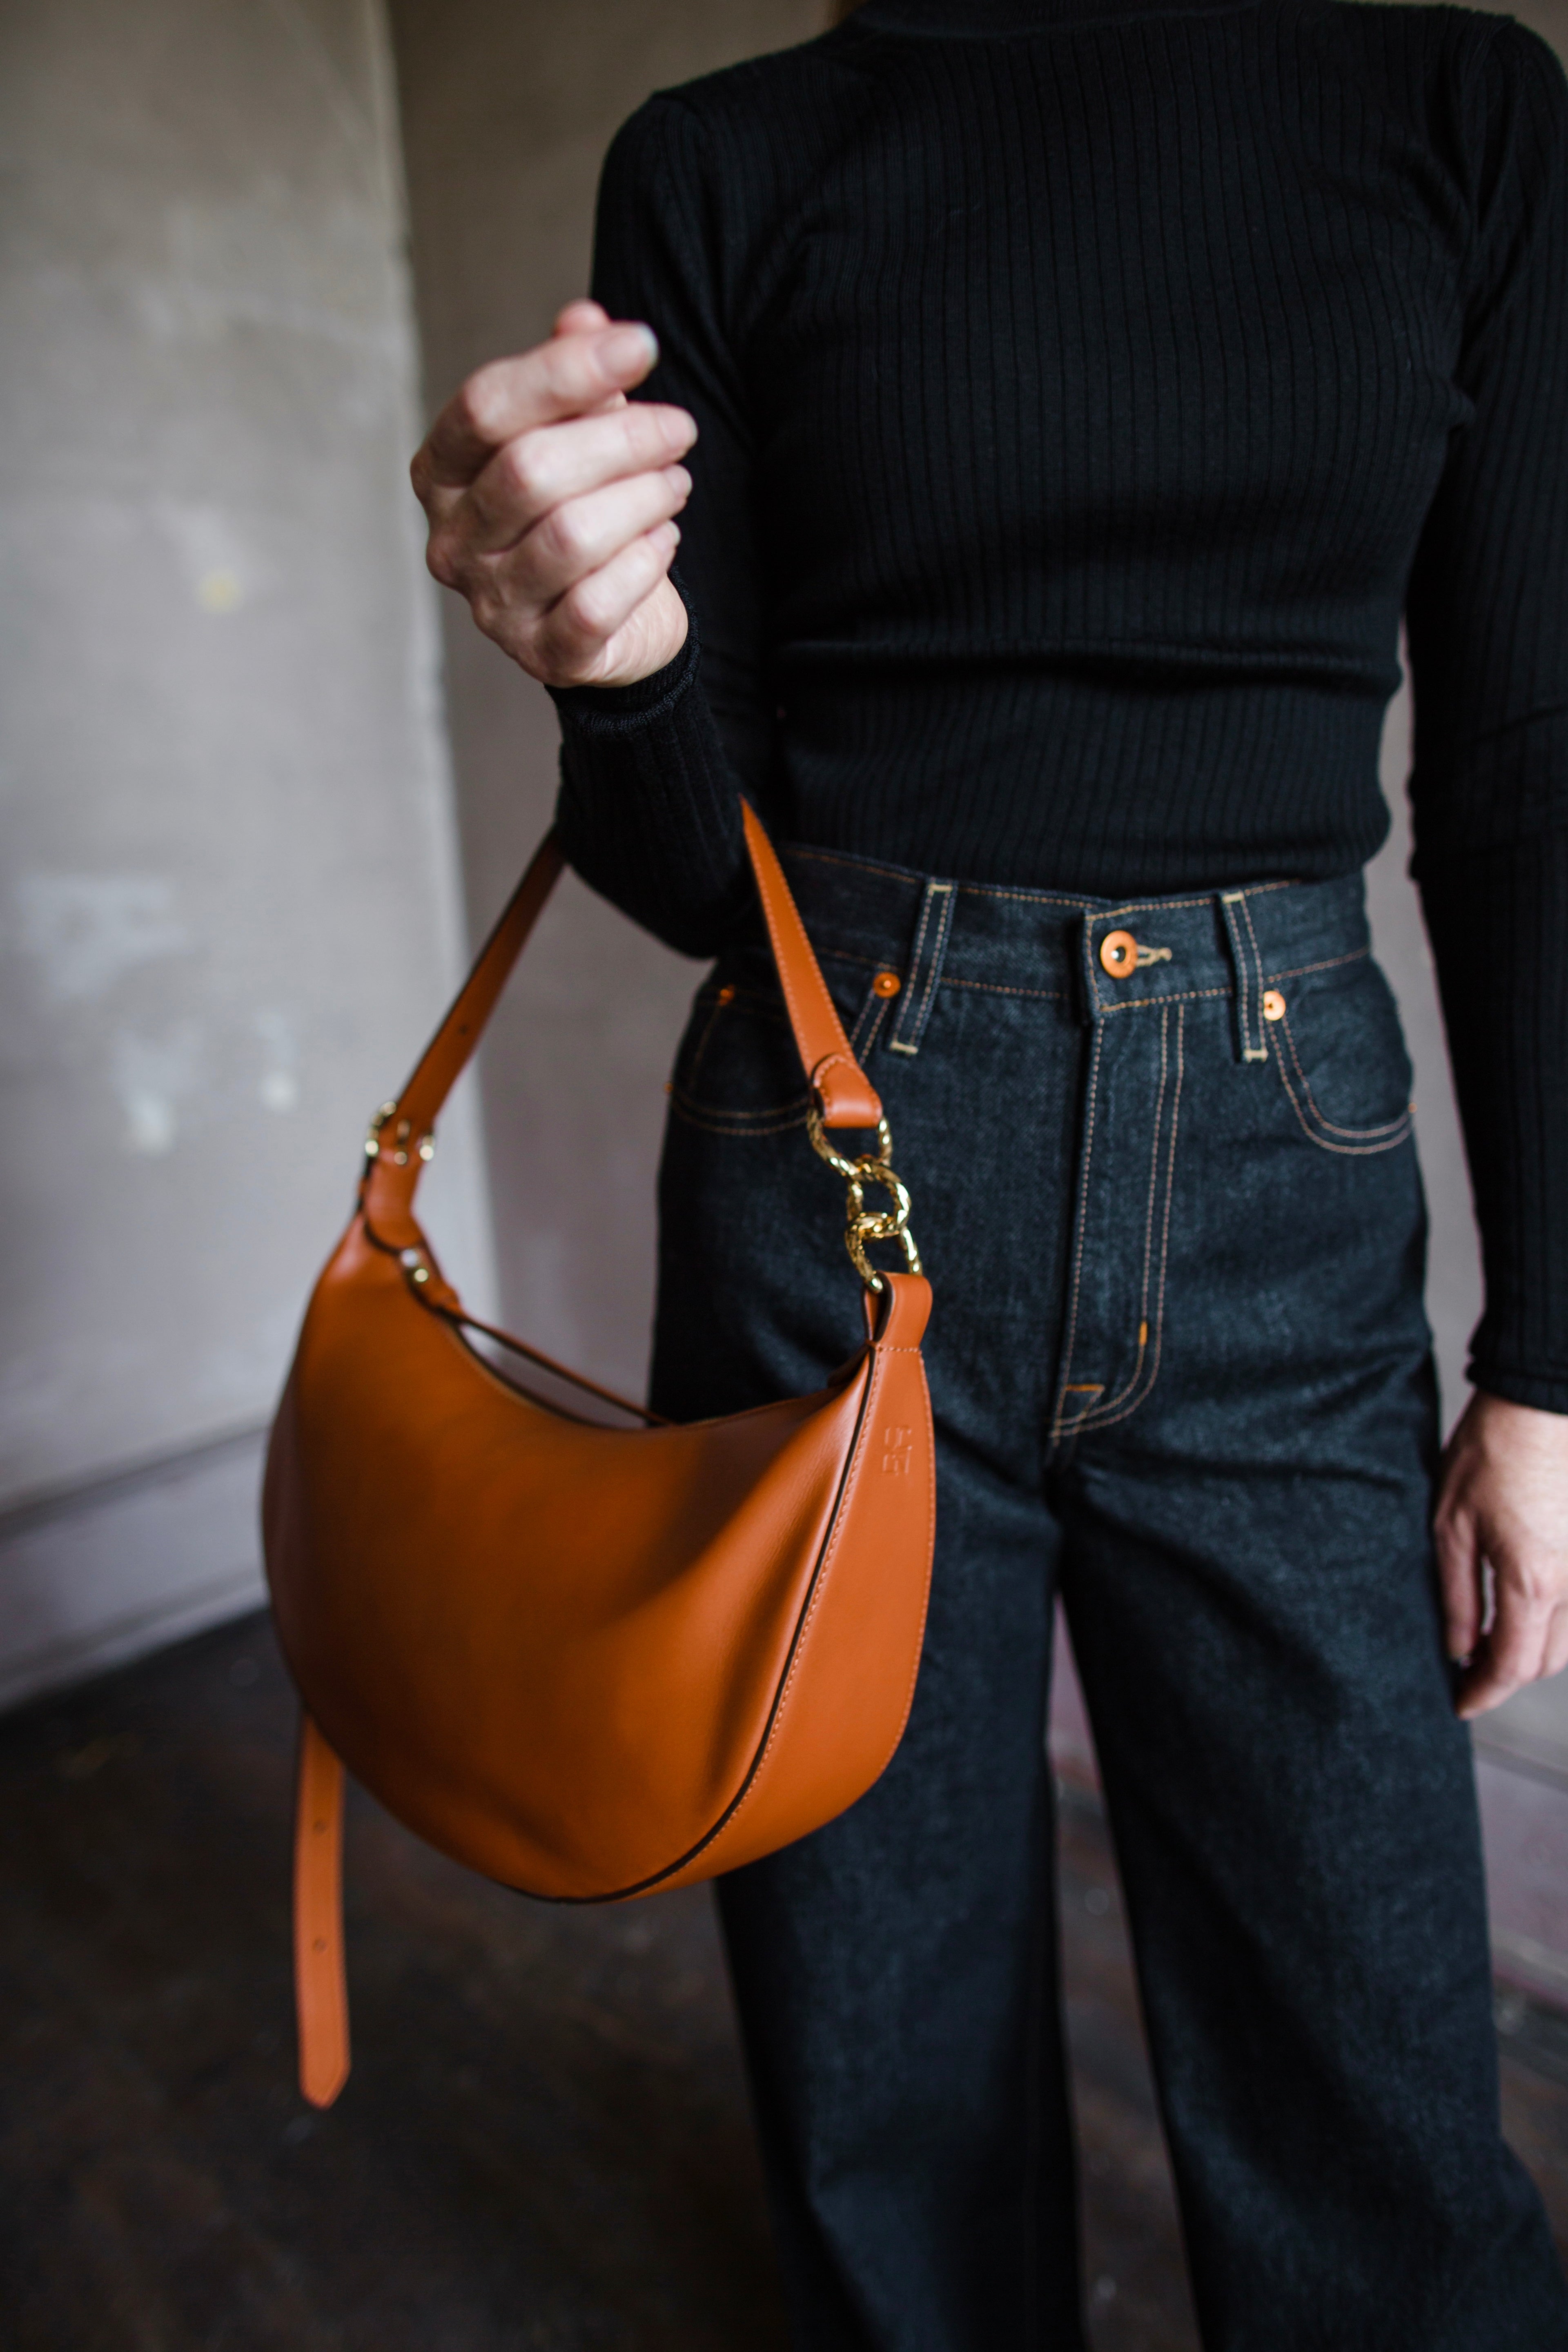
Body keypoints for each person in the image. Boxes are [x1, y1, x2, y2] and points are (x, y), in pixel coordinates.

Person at [411, 2, 1568, 2343]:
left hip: (1282, 1177)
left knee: (1378, 2093)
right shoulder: (725, 159)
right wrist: (608, 672)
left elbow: (1533, 765)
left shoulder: (1462, 113)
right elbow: (691, 871)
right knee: (875, 2035)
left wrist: (1549, 1359)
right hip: (830, 1147)